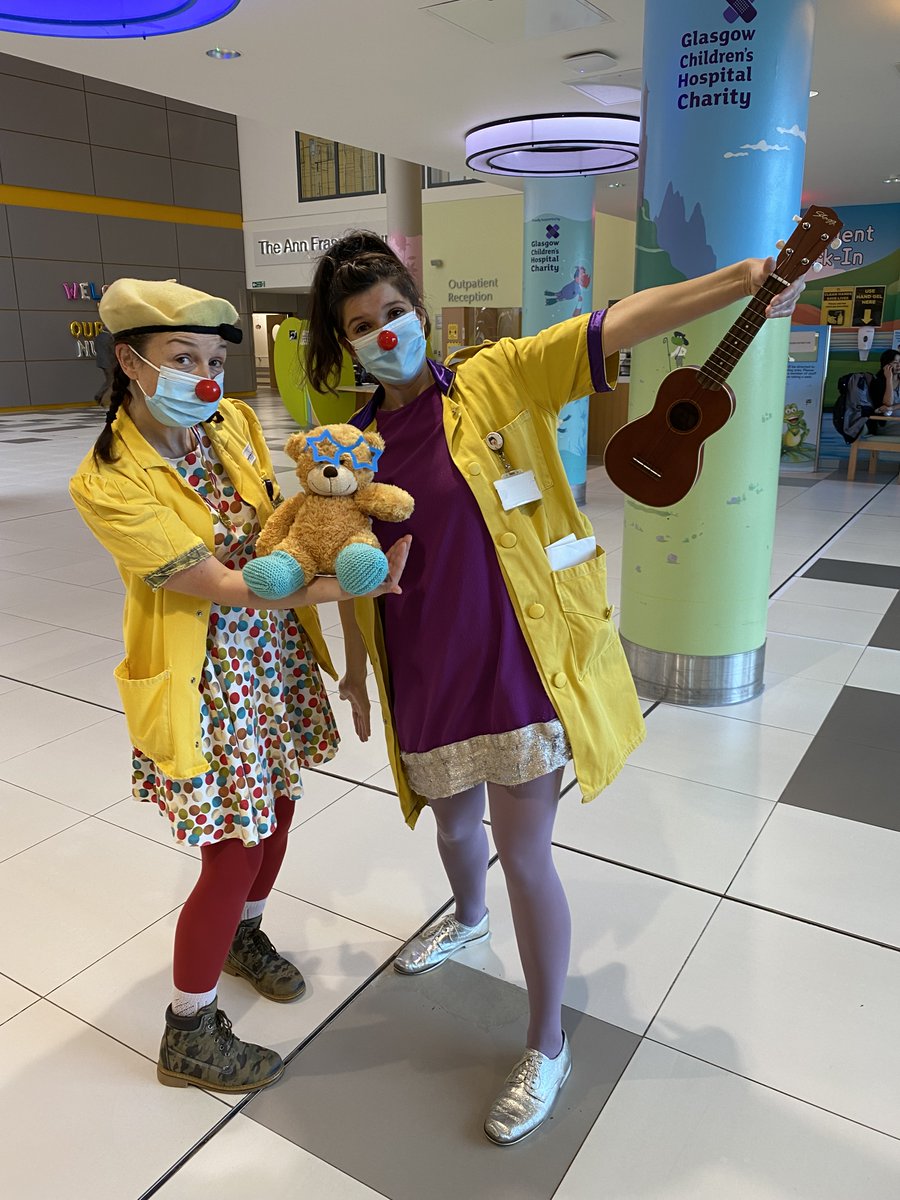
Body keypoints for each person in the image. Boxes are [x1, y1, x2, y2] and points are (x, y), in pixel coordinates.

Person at [305, 231, 807, 1145]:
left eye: (394, 314)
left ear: (421, 311)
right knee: (452, 823)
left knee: (523, 846)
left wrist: (742, 281)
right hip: (421, 662)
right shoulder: (357, 446)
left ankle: (546, 1041)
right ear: (346, 346)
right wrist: (352, 665)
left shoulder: (497, 379)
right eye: (362, 326)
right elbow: (347, 563)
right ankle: (464, 918)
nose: (386, 334)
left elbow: (614, 325)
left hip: (512, 659)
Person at [69, 278, 409, 1094]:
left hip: (272, 660)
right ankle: (187, 1029)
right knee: (232, 849)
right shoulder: (107, 480)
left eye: (214, 358)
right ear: (130, 361)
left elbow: (279, 522)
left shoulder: (233, 423)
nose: (204, 377)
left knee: (281, 808)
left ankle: (243, 937)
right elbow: (222, 583)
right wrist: (355, 587)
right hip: (209, 680)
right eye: (181, 358)